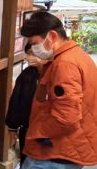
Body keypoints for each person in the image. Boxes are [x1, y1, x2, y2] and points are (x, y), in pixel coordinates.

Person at [20, 11, 97, 169]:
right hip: (70, 145)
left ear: (53, 36)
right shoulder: (77, 55)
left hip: (55, 150)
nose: (34, 49)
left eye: (35, 43)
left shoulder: (65, 64)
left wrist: (36, 131)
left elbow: (66, 118)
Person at [5, 43, 46, 166]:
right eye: (28, 53)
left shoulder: (55, 73)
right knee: (26, 159)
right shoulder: (27, 74)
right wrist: (12, 126)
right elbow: (15, 100)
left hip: (46, 131)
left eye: (33, 54)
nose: (29, 57)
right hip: (27, 129)